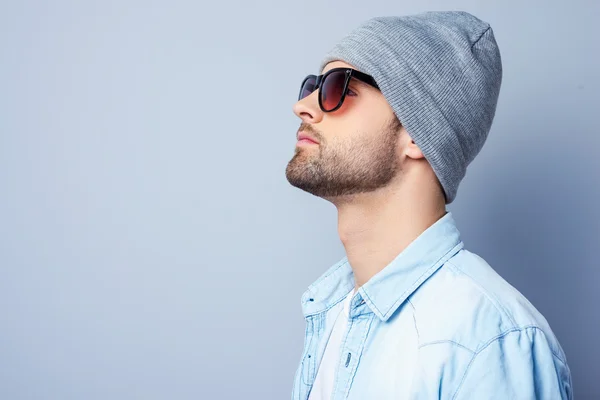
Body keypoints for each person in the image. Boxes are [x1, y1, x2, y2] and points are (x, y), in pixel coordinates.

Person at [285, 11, 572, 400]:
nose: (304, 106)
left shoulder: (488, 339)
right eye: (312, 86)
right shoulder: (332, 310)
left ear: (418, 135)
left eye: (338, 88)